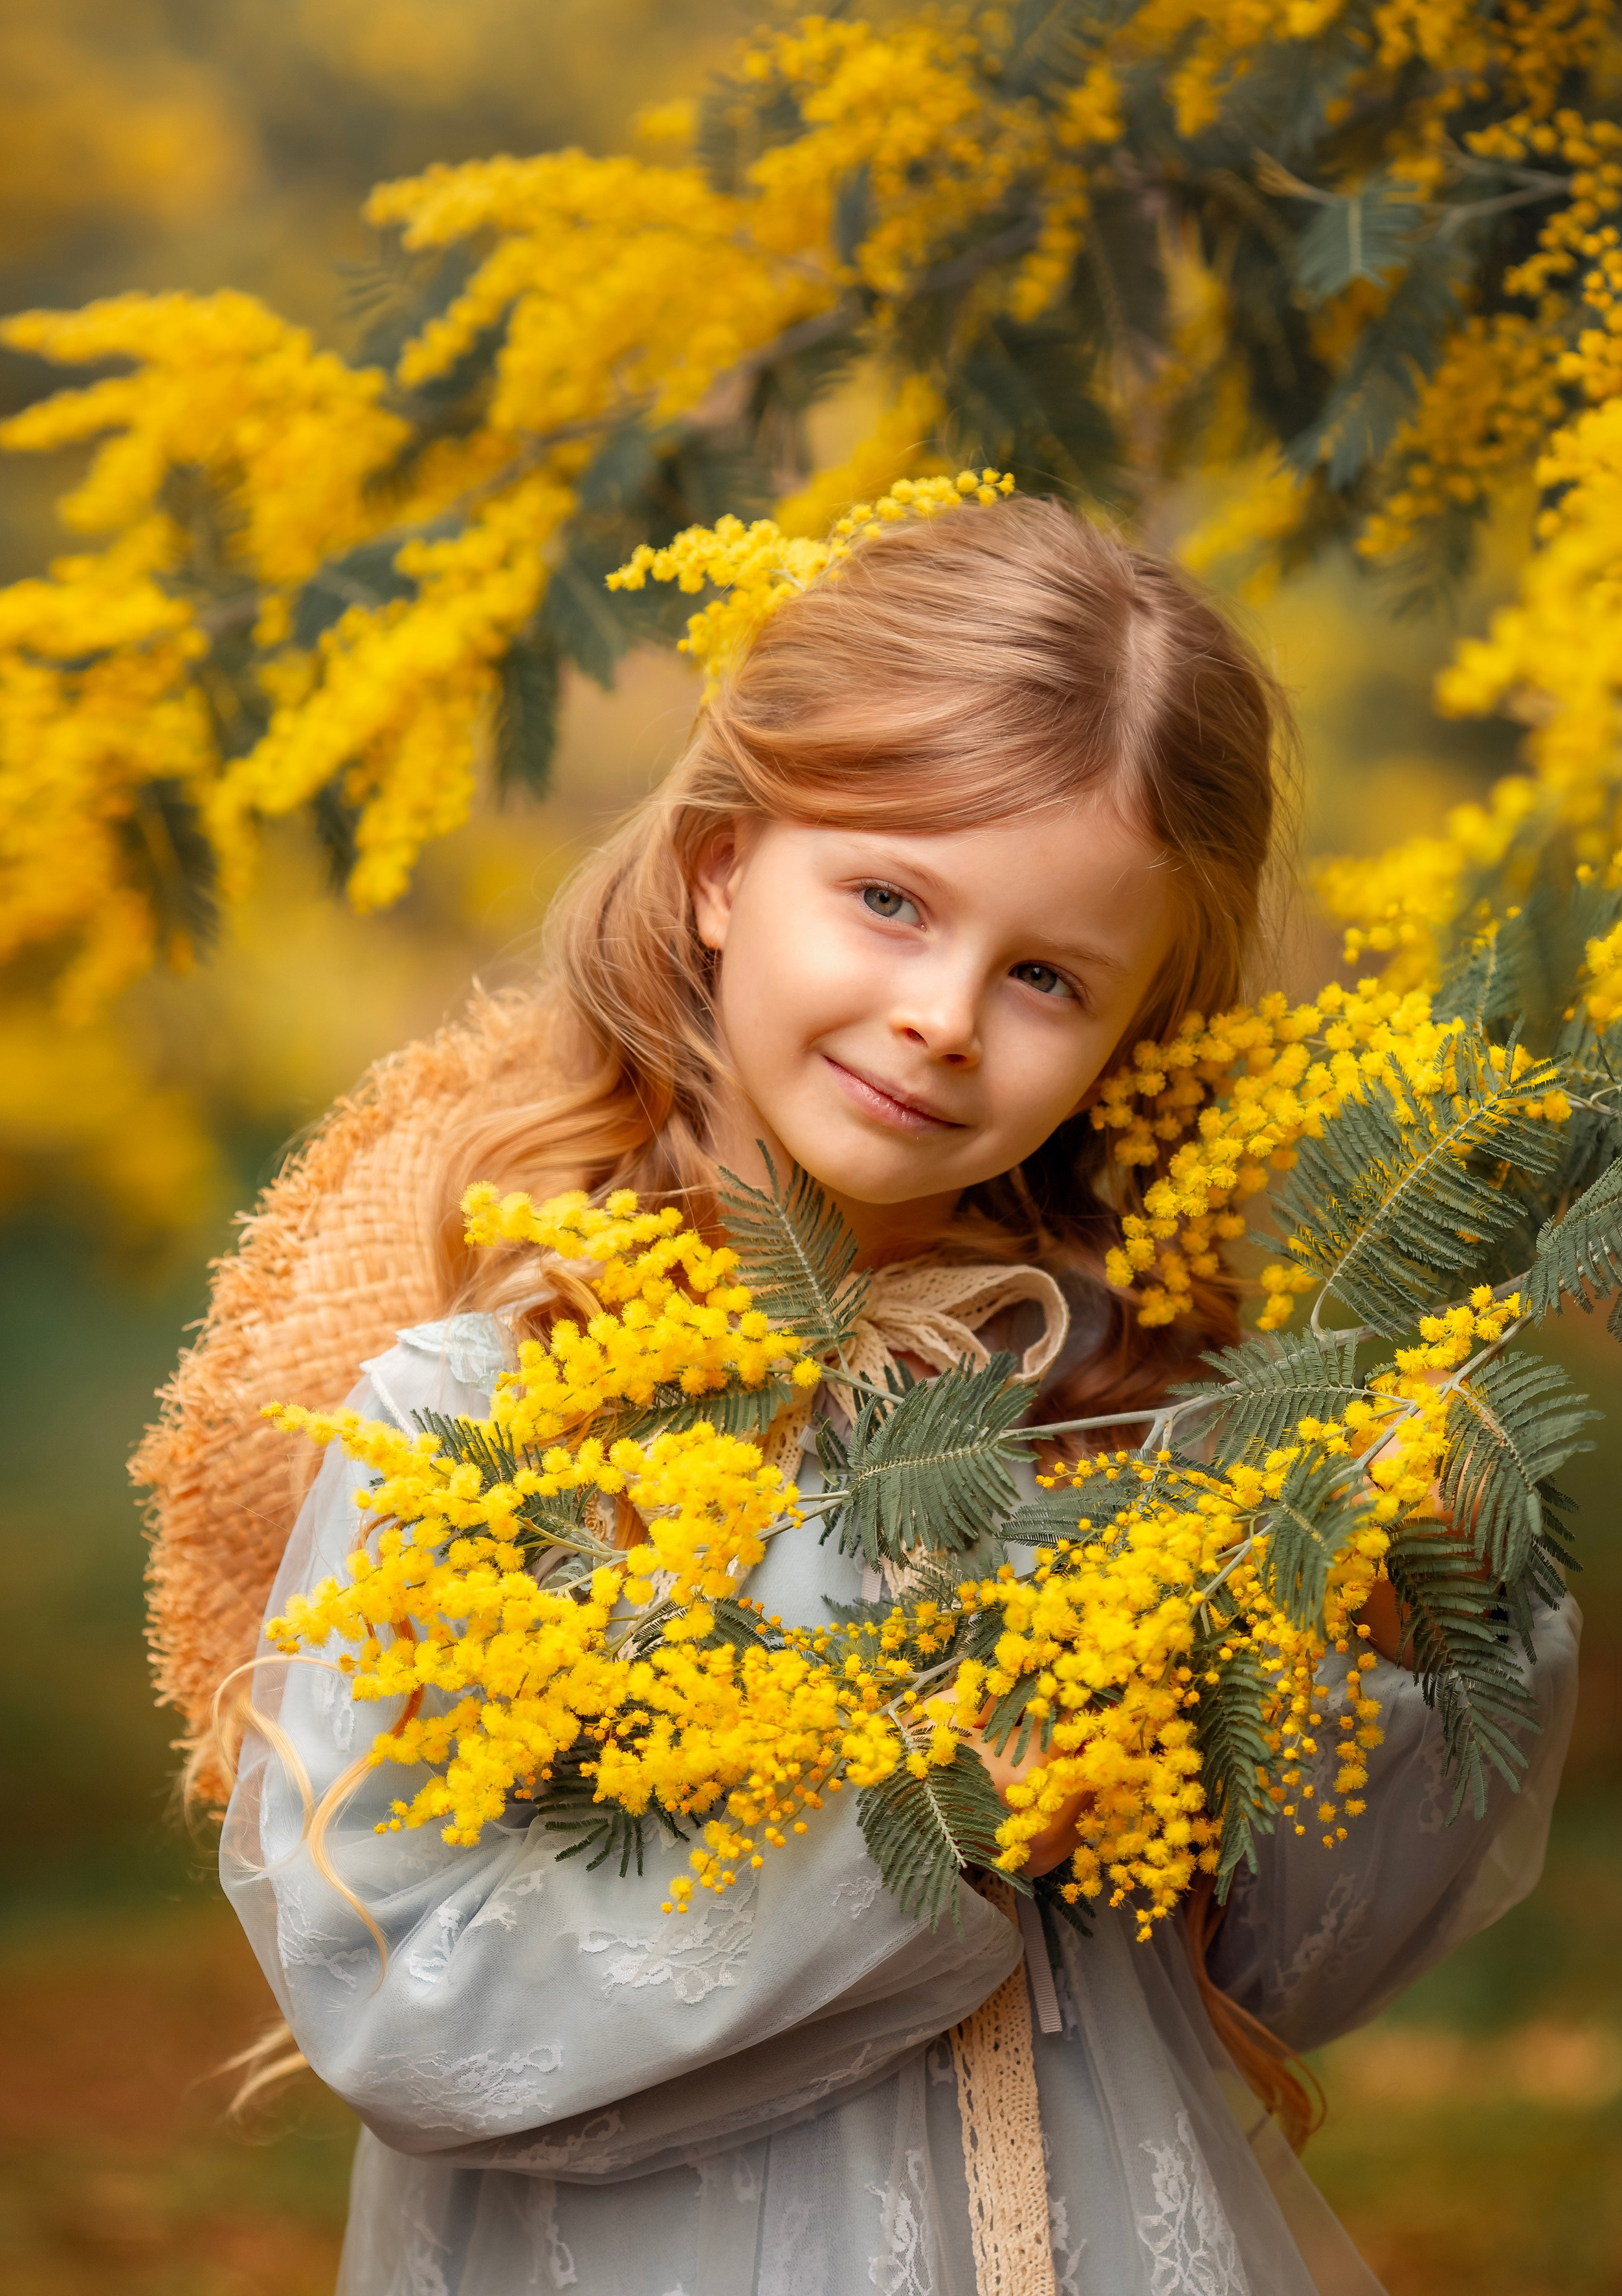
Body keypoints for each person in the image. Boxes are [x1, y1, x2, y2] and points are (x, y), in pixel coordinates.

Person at [219, 496, 1579, 2296]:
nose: (943, 1013)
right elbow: (400, 2004)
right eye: (887, 899)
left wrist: (1428, 1604)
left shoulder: (1141, 1426)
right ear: (718, 867)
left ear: (1129, 1034)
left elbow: (1287, 1970)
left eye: (1045, 976)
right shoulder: (484, 1430)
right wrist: (938, 1825)